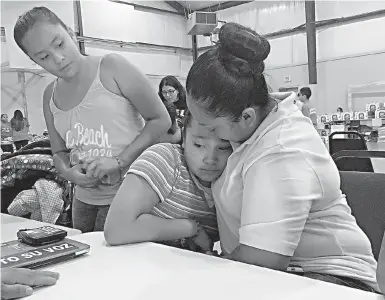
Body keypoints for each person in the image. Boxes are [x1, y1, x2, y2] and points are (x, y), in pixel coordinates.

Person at [185, 22, 379, 292]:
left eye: (213, 129)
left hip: (332, 281)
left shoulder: (282, 150)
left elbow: (263, 260)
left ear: (246, 117)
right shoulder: (251, 123)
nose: (210, 141)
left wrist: (206, 268)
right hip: (286, 273)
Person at [13, 7, 170, 233]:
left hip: (130, 194)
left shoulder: (112, 68)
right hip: (83, 201)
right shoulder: (49, 95)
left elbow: (160, 119)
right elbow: (58, 152)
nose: (58, 59)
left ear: (71, 32)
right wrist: (69, 173)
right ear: (34, 60)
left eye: (59, 44)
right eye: (44, 57)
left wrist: (119, 161)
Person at [104, 111, 232, 253]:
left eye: (223, 148)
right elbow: (117, 229)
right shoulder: (165, 160)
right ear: (184, 138)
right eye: (199, 145)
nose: (210, 159)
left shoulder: (234, 181)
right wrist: (191, 228)